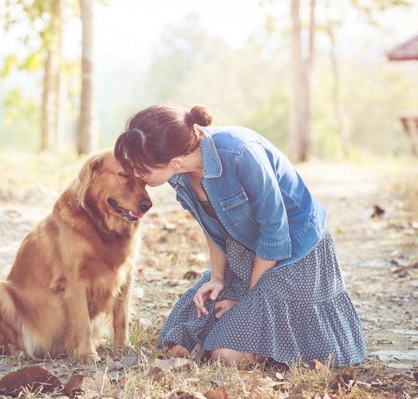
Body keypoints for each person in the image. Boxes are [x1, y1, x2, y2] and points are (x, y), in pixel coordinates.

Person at [113, 104, 366, 367]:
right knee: (177, 339)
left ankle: (268, 344)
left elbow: (275, 234)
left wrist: (247, 301)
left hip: (294, 256)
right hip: (245, 250)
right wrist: (218, 277)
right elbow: (212, 227)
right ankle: (240, 329)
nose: (135, 174)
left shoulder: (240, 153)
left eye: (142, 169)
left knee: (226, 356)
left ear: (175, 161)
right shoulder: (179, 176)